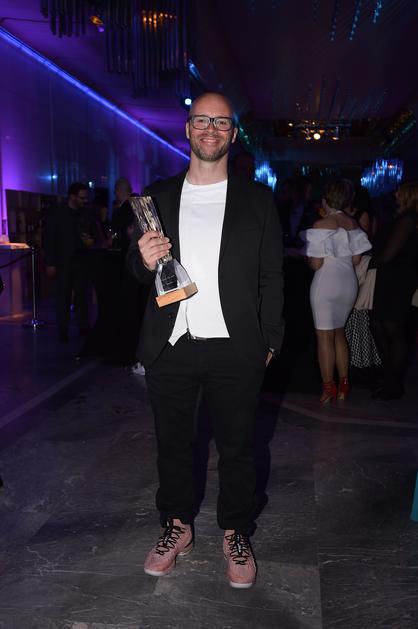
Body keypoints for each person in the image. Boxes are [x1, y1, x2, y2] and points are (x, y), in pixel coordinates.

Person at [126, 92, 284, 588]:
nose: (210, 129)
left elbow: (272, 276)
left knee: (239, 448)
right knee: (173, 446)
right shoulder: (158, 196)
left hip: (236, 346)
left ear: (232, 134)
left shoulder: (256, 200)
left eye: (220, 121)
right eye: (201, 120)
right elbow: (135, 268)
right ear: (187, 129)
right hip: (172, 343)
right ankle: (177, 526)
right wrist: (142, 259)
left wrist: (270, 340)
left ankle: (236, 531)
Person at [300, 179, 371, 403]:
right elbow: (357, 260)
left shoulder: (322, 224)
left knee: (324, 337)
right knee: (340, 333)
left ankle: (328, 388)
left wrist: (304, 256)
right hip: (348, 283)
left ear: (326, 199)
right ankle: (344, 385)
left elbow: (316, 264)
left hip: (326, 283)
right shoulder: (353, 223)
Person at [369, 181, 418, 399]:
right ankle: (390, 377)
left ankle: (393, 382)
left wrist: (366, 263)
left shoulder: (407, 219)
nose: (395, 193)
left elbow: (389, 254)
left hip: (397, 278)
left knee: (392, 328)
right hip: (394, 277)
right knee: (382, 326)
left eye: (400, 191)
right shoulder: (405, 218)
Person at [43, 182, 97, 342]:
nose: (84, 201)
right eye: (81, 197)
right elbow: (49, 237)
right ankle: (63, 330)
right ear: (72, 196)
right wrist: (50, 262)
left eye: (85, 198)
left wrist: (91, 241)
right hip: (63, 261)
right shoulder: (57, 212)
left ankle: (83, 326)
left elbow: (94, 234)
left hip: (81, 260)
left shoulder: (86, 213)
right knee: (63, 296)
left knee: (82, 295)